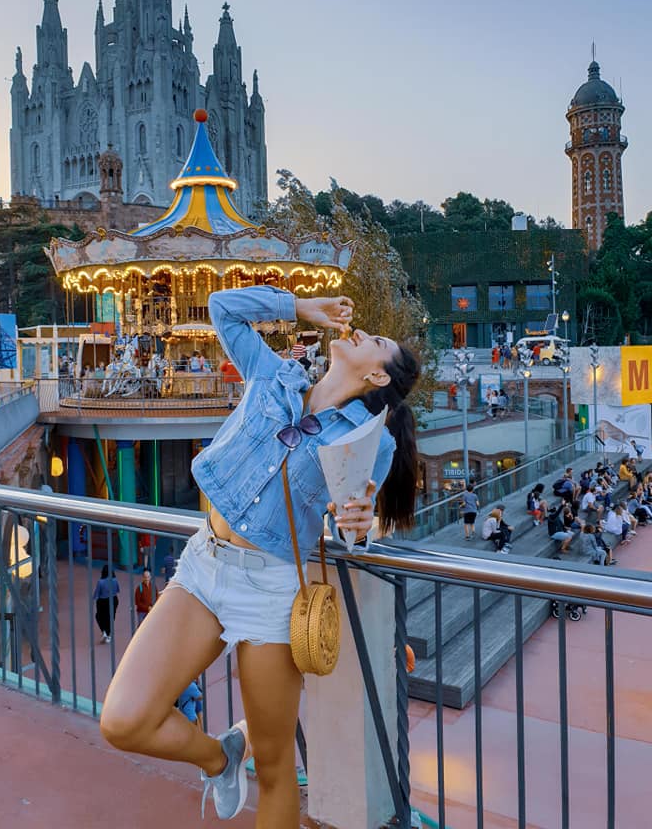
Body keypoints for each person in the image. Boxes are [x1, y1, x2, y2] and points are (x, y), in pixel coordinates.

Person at [99, 287, 420, 826]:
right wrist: (299, 308)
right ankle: (219, 756)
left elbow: (354, 517)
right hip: (204, 565)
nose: (362, 330)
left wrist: (358, 525)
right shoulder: (274, 375)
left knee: (274, 770)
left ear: (379, 377)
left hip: (270, 591)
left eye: (378, 341)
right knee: (123, 720)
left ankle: (241, 760)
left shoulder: (371, 438)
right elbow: (223, 306)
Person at [93, 565, 120, 643]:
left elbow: (96, 594)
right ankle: (109, 635)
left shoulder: (100, 582)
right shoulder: (115, 580)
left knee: (99, 616)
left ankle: (104, 631)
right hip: (113, 600)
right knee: (111, 617)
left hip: (102, 601)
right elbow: (117, 590)